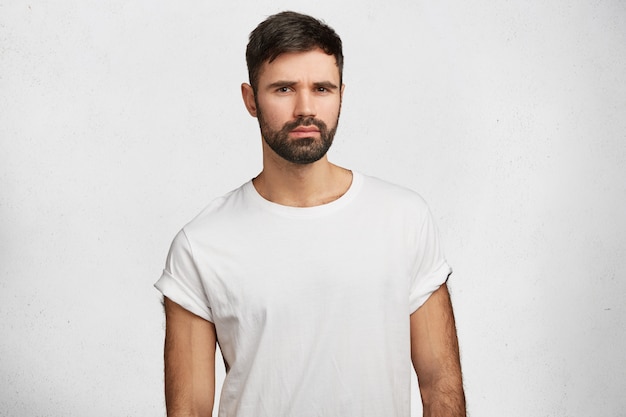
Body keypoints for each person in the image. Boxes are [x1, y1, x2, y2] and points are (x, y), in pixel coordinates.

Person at [155, 10, 466, 417]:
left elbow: (440, 384)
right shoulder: (202, 244)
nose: (306, 108)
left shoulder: (404, 218)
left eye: (322, 88)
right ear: (251, 100)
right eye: (283, 89)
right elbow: (189, 412)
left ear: (341, 94)